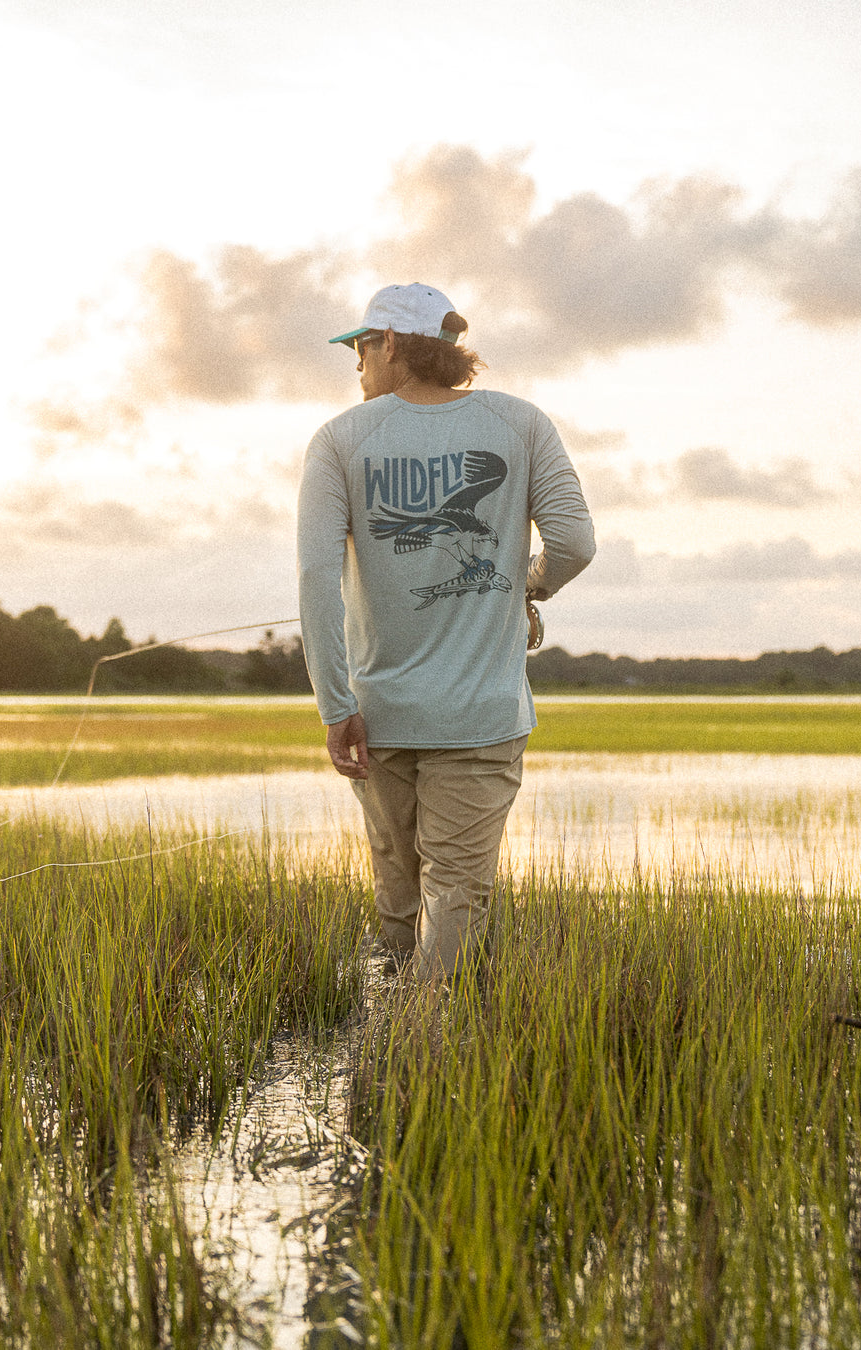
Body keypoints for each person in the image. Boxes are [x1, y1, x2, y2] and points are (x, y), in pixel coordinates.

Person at [297, 283, 595, 981]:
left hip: (377, 719)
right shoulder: (522, 425)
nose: (357, 367)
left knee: (398, 898)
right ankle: (429, 1051)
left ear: (392, 344)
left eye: (362, 348)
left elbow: (315, 581)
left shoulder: (340, 439)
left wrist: (335, 709)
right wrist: (530, 583)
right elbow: (575, 542)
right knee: (456, 892)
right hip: (482, 717)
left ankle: (393, 1042)